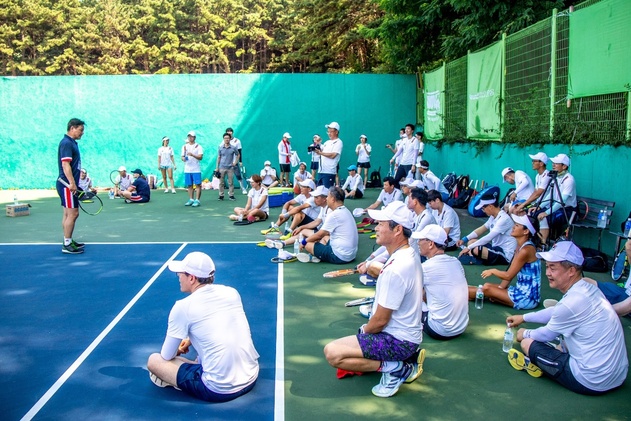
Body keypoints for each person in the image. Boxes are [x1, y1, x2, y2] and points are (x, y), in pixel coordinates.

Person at [323, 201, 424, 398]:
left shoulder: (395, 270)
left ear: (398, 230)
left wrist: (364, 332)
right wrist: (371, 265)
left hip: (397, 341)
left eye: (381, 224)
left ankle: (395, 368)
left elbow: (379, 322)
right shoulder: (410, 253)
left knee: (333, 353)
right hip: (409, 336)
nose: (375, 227)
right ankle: (403, 360)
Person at [506, 241, 628, 395]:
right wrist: (524, 317)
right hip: (617, 376)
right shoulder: (589, 289)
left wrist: (524, 333)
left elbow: (545, 334)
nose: (547, 273)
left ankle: (539, 361)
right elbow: (556, 311)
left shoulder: (571, 303)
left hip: (591, 381)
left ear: (571, 270)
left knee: (527, 344)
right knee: (561, 343)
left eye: (553, 268)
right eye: (547, 267)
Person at [147, 252, 259, 402]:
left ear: (192, 278)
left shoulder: (182, 307)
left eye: (180, 274)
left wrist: (177, 350)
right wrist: (190, 340)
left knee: (154, 360)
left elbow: (167, 355)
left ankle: (178, 379)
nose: (179, 277)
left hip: (219, 389)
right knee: (202, 356)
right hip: (251, 376)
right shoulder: (231, 293)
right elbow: (214, 322)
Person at [470, 214, 541, 309]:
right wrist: (498, 291)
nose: (513, 227)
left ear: (526, 231)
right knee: (488, 286)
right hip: (520, 291)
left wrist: (493, 271)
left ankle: (460, 293)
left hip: (527, 299)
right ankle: (465, 293)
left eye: (517, 225)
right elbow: (509, 274)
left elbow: (508, 275)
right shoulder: (520, 247)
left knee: (486, 289)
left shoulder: (526, 250)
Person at [412, 224, 469, 340]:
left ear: (431, 244)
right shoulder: (456, 262)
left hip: (439, 330)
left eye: (421, 239)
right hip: (461, 327)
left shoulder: (426, 267)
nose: (418, 243)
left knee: (409, 300)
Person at [298, 187, 358, 264]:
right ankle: (318, 254)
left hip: (340, 256)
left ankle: (317, 255)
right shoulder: (345, 210)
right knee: (324, 238)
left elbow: (319, 234)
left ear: (333, 199)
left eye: (328, 197)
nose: (326, 199)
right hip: (350, 255)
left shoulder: (334, 214)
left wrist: (303, 242)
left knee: (307, 244)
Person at [457, 192, 517, 266]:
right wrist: (464, 239)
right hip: (495, 248)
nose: (483, 211)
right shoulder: (493, 217)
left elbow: (488, 237)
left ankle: (475, 259)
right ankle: (474, 257)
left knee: (476, 249)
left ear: (490, 206)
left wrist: (468, 248)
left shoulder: (504, 219)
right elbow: (482, 229)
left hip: (505, 254)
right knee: (471, 242)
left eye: (483, 208)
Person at [264, 186, 330, 250]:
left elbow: (326, 232)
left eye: (316, 197)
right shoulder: (323, 207)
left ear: (324, 199)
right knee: (303, 232)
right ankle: (282, 243)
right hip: (320, 231)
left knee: (306, 240)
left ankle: (289, 233)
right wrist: (301, 227)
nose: (314, 199)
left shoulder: (331, 210)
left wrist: (304, 241)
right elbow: (317, 222)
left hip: (327, 236)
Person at [56, 118, 86, 255]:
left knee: (68, 213)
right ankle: (67, 244)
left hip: (67, 184)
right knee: (73, 213)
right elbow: (65, 164)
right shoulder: (66, 143)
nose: (82, 133)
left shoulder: (71, 143)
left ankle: (68, 240)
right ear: (72, 128)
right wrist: (72, 183)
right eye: (80, 130)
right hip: (67, 184)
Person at [533, 154, 577, 245]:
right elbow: (550, 195)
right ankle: (536, 242)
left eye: (556, 163)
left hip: (568, 211)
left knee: (543, 218)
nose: (553, 165)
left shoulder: (569, 180)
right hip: (557, 207)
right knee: (533, 213)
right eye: (553, 163)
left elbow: (562, 201)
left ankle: (543, 245)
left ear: (564, 166)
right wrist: (539, 207)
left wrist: (546, 212)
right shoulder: (556, 177)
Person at [314, 122, 343, 188]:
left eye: (331, 131)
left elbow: (333, 155)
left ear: (336, 132)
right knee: (319, 195)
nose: (329, 133)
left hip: (329, 172)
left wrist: (320, 153)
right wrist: (317, 143)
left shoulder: (339, 142)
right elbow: (319, 150)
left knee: (327, 194)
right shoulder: (327, 142)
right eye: (328, 131)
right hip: (321, 171)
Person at [390, 124, 419, 188]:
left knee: (410, 182)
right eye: (406, 129)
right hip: (402, 164)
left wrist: (413, 165)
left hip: (410, 164)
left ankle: (411, 196)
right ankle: (397, 195)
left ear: (412, 131)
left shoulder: (415, 140)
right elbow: (399, 151)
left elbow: (415, 154)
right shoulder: (404, 140)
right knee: (396, 180)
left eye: (408, 128)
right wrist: (393, 158)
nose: (406, 130)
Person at [182, 130, 204, 207]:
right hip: (187, 169)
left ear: (194, 137)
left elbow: (200, 157)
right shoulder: (184, 146)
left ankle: (197, 200)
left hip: (196, 169)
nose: (190, 138)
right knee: (189, 185)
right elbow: (182, 156)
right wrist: (183, 159)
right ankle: (191, 199)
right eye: (189, 136)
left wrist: (192, 154)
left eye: (191, 136)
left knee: (198, 185)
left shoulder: (198, 146)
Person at [216, 132, 239, 202]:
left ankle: (231, 195)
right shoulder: (220, 148)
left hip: (230, 168)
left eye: (228, 138)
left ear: (230, 139)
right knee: (221, 183)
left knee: (231, 182)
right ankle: (221, 195)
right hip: (221, 167)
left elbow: (238, 155)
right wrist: (217, 167)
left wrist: (235, 163)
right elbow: (219, 157)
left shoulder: (233, 148)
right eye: (225, 138)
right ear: (223, 139)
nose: (226, 139)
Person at [226, 127, 247, 195]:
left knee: (238, 176)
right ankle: (230, 190)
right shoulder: (224, 141)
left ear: (232, 132)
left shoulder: (237, 141)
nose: (229, 132)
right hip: (226, 163)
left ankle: (243, 188)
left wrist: (240, 161)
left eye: (230, 131)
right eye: (228, 131)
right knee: (229, 177)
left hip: (234, 162)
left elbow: (239, 151)